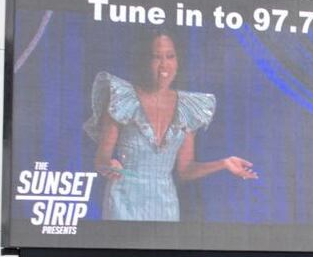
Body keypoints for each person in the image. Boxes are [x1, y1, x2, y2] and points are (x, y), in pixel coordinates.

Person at [84, 30, 257, 221]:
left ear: (178, 61)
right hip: (123, 200)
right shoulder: (123, 98)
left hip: (165, 204)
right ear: (144, 61)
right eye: (156, 57)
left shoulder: (187, 107)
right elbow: (100, 160)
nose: (164, 65)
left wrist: (224, 163)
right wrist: (109, 165)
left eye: (170, 56)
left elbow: (185, 170)